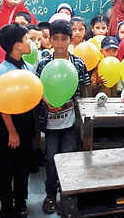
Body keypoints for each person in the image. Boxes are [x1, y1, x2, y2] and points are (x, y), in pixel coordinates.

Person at [36, 20, 91, 214]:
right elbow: (37, 89)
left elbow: (85, 90)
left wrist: (73, 103)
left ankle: (67, 195)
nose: (59, 43)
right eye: (55, 39)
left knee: (68, 157)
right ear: (49, 40)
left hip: (71, 122)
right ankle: (50, 195)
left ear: (70, 40)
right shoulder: (43, 63)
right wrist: (47, 102)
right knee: (51, 159)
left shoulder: (77, 62)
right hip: (50, 123)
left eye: (64, 39)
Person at [0, 24, 36, 218]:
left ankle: (21, 202)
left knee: (23, 166)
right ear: (17, 45)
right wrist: (12, 132)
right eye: (27, 39)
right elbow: (1, 105)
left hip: (25, 122)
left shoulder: (27, 66)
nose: (30, 43)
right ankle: (7, 206)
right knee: (7, 168)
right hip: (6, 126)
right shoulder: (3, 71)